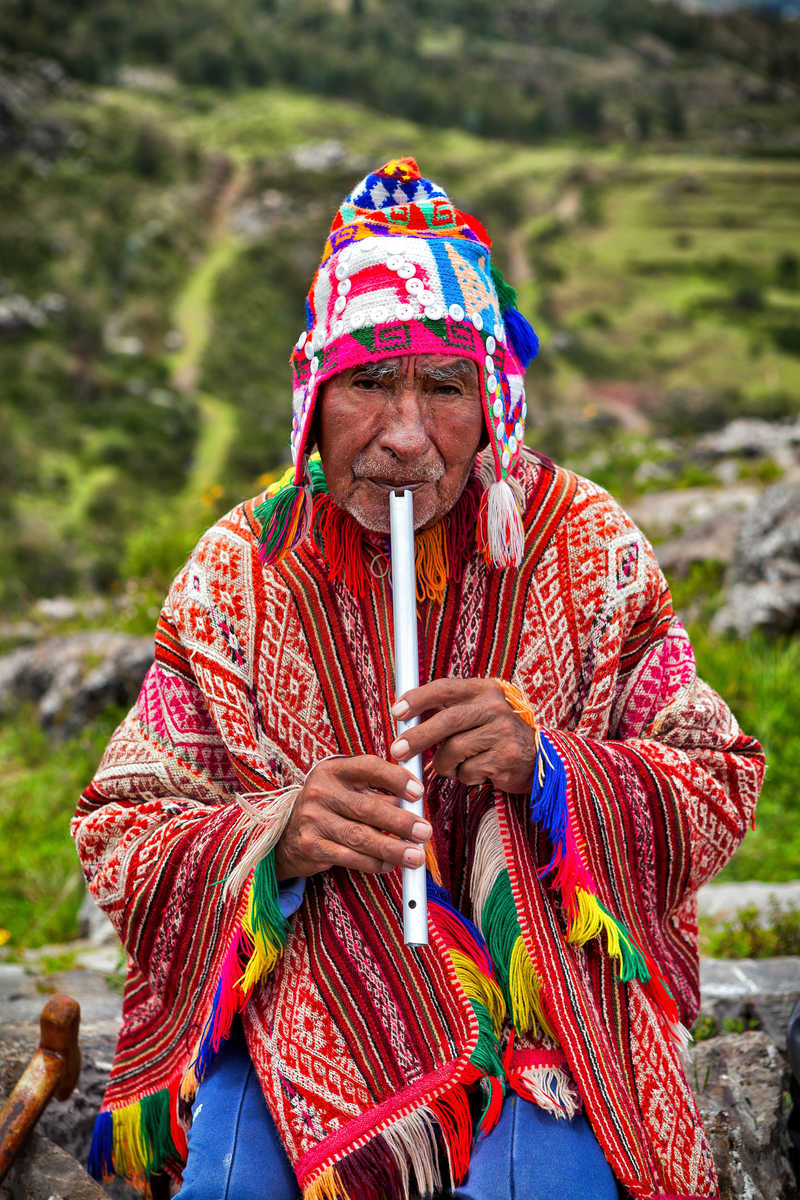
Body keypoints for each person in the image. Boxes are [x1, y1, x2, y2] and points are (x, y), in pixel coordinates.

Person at [73, 159, 765, 1200]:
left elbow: (715, 775)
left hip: (544, 1008)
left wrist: (551, 768)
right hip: (312, 998)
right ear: (314, 399)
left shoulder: (585, 544)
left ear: (491, 403)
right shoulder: (237, 571)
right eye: (367, 384)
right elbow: (121, 829)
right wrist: (277, 834)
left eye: (442, 388)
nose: (403, 435)